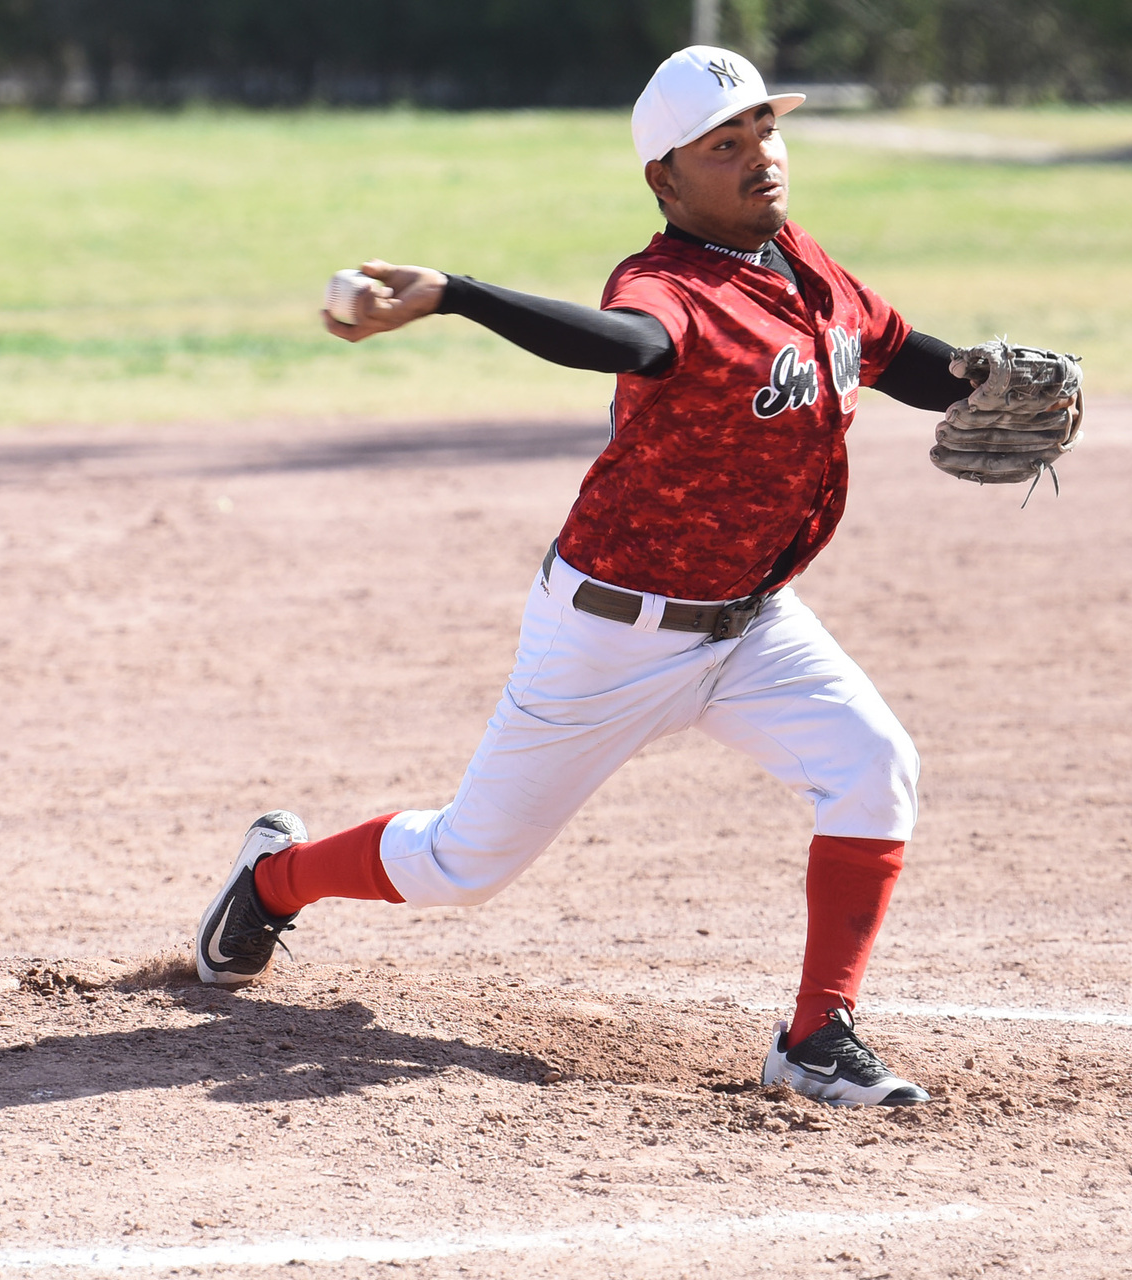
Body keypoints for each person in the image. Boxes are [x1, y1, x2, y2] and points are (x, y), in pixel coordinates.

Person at [194, 45, 990, 1108]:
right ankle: (272, 876)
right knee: (463, 863)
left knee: (874, 763)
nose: (761, 157)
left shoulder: (805, 267)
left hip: (753, 622)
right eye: (725, 144)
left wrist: (984, 382)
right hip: (615, 631)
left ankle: (814, 1035)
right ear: (666, 179)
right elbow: (618, 341)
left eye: (764, 131)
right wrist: (456, 295)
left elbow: (896, 355)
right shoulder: (666, 286)